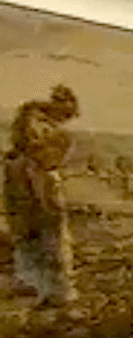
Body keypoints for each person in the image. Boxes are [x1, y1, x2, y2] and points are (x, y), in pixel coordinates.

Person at [4, 85, 79, 307]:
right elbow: (42, 158)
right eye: (66, 113)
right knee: (47, 235)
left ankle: (37, 287)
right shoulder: (38, 124)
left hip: (25, 181)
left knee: (31, 236)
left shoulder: (31, 118)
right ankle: (52, 291)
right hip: (33, 181)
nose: (66, 119)